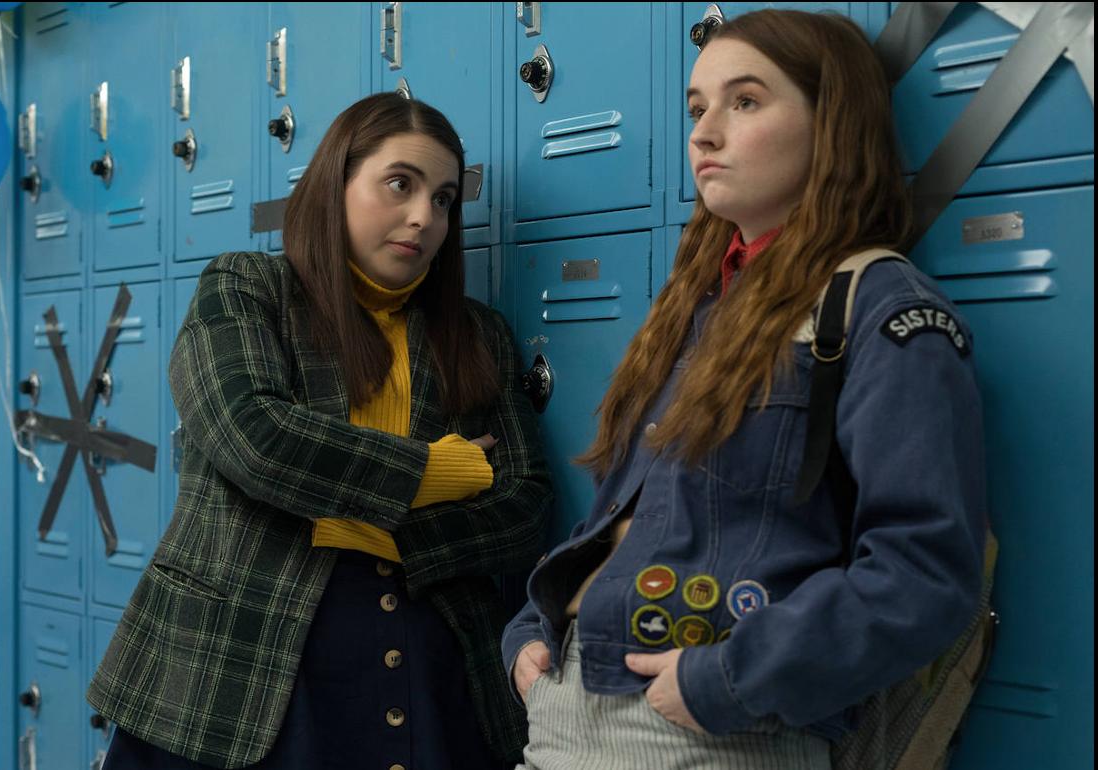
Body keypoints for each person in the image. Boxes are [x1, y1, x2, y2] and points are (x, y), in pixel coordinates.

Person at [502, 10, 987, 770]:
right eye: (698, 107)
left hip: (709, 733)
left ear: (831, 127)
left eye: (746, 102)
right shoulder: (694, 308)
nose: (704, 133)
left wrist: (727, 677)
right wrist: (532, 631)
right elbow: (635, 519)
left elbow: (923, 575)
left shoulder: (878, 307)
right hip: (565, 709)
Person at [89, 93, 552, 770]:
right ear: (334, 185)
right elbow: (253, 437)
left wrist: (369, 526)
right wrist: (434, 474)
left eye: (445, 198)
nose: (425, 217)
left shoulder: (476, 334)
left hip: (428, 661)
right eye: (400, 184)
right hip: (231, 668)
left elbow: (525, 504)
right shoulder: (246, 288)